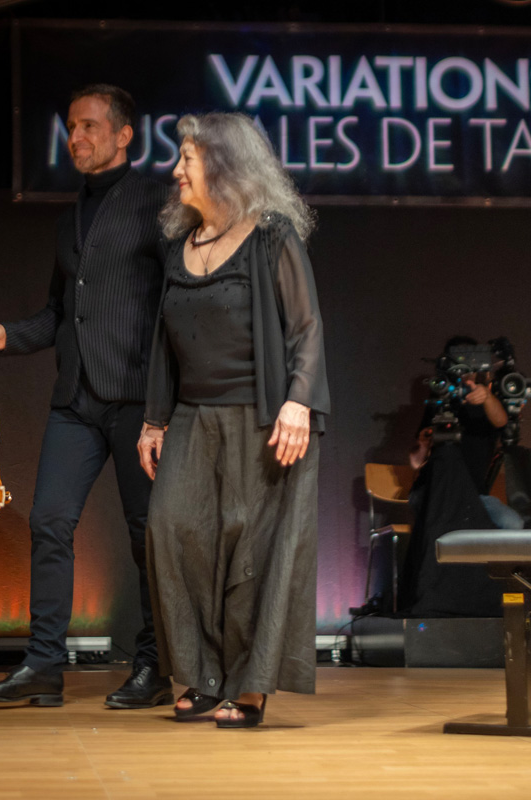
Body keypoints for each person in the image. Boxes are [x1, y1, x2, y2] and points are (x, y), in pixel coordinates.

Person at [0, 85, 172, 709]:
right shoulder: (69, 217)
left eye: (88, 126)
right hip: (76, 399)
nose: (75, 137)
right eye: (71, 127)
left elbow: (176, 306)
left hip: (137, 401)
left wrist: (164, 406)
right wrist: (8, 335)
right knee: (49, 522)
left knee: (147, 536)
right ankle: (44, 665)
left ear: (124, 135)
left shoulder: (159, 203)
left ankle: (155, 666)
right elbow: (59, 312)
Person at [137, 112, 329, 729]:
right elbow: (164, 343)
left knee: (252, 551)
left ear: (224, 165)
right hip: (193, 416)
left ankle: (248, 686)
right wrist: (154, 421)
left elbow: (305, 326)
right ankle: (201, 675)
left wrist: (299, 400)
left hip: (262, 418)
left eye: (187, 159)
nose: (176, 170)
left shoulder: (271, 235)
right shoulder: (180, 247)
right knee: (172, 532)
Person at [409, 336, 522, 530]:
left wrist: (486, 397)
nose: (464, 369)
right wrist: (423, 444)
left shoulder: (489, 401)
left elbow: (501, 420)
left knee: (512, 523)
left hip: (475, 496)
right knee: (444, 523)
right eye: (458, 362)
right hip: (436, 493)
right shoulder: (440, 399)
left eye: (470, 361)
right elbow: (416, 463)